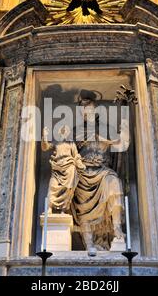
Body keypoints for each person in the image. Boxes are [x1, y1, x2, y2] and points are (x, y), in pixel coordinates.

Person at [70, 90, 128, 255]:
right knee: (80, 199)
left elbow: (122, 145)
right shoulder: (75, 132)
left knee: (114, 183)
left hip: (103, 171)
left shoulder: (106, 129)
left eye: (89, 108)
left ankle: (117, 230)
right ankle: (89, 244)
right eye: (83, 109)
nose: (86, 111)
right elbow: (65, 152)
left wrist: (124, 113)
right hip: (82, 173)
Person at [42, 125, 86, 213]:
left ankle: (63, 210)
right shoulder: (56, 142)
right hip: (57, 168)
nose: (65, 133)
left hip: (69, 168)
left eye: (66, 131)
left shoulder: (71, 144)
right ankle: (49, 208)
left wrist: (80, 164)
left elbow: (76, 156)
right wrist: (45, 137)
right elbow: (45, 147)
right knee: (52, 186)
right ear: (60, 132)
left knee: (68, 190)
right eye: (63, 131)